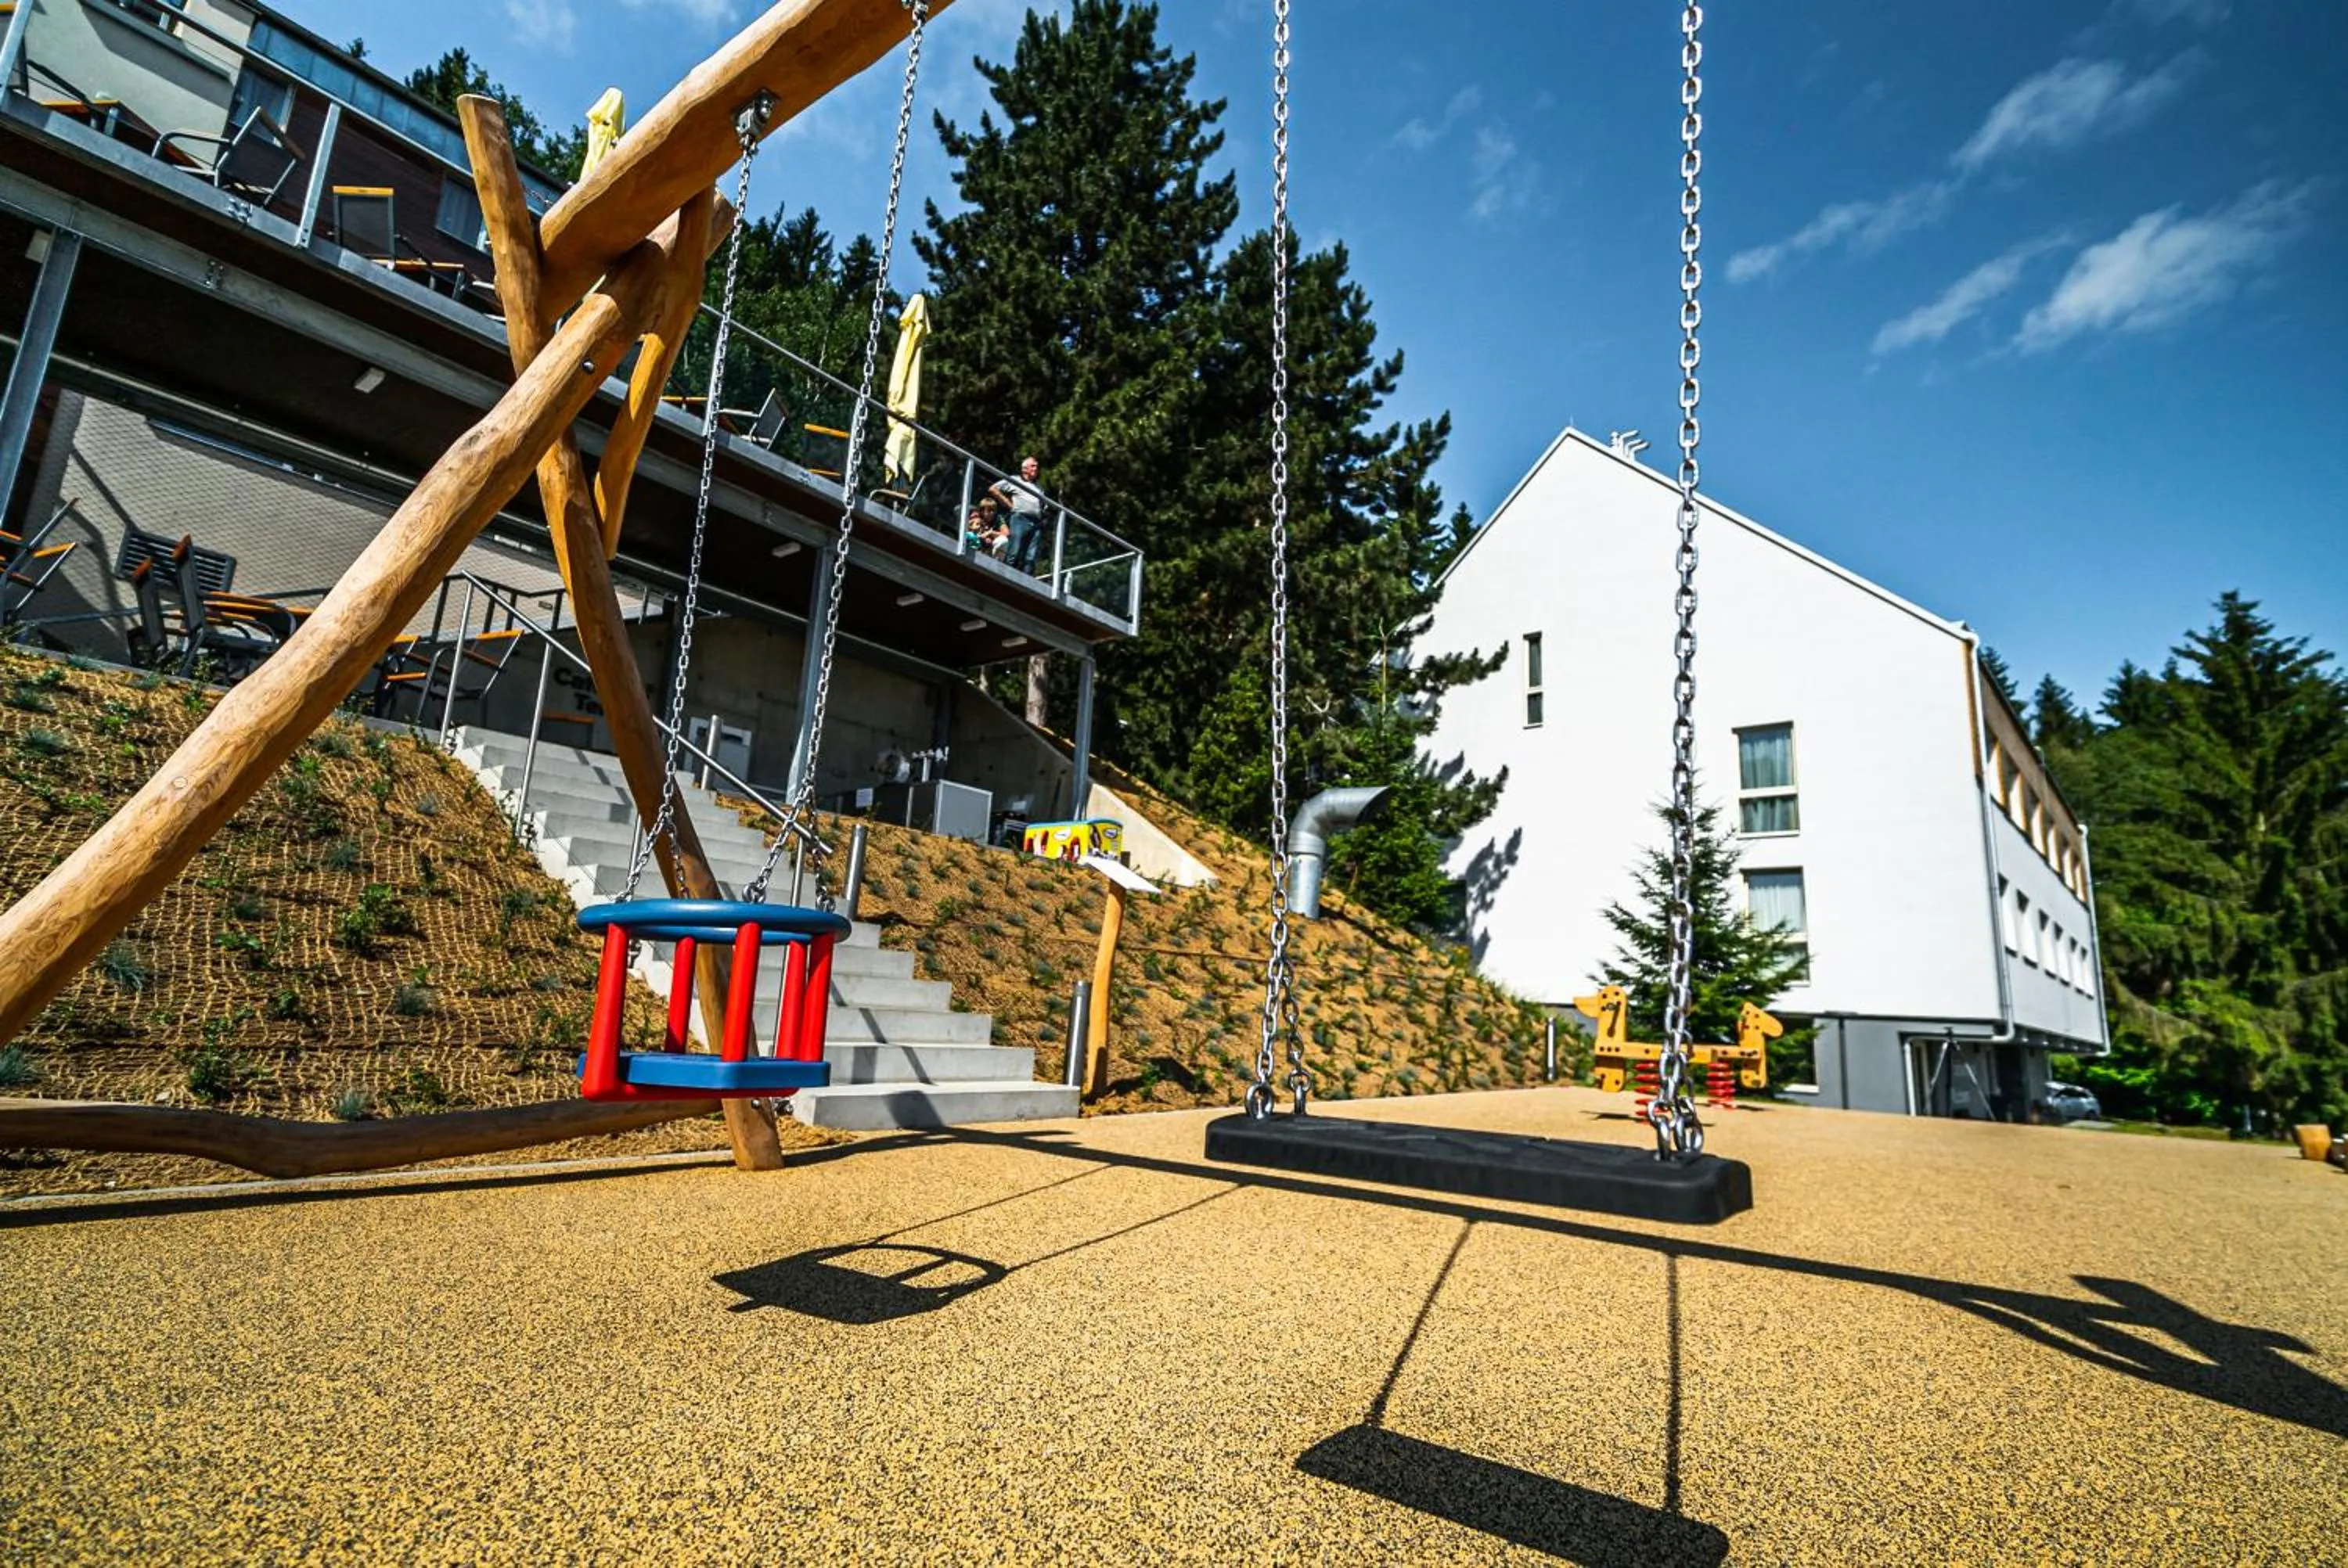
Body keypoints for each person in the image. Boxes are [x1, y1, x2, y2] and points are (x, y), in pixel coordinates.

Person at [989, 455, 1046, 574]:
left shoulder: (1039, 488)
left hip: (1036, 523)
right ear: (1024, 469)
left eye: (1037, 466)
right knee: (1015, 550)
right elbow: (993, 489)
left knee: (1031, 556)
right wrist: (1009, 504)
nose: (1036, 468)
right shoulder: (1015, 480)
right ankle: (1006, 575)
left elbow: (1044, 507)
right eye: (1033, 466)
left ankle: (1027, 580)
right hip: (1020, 519)